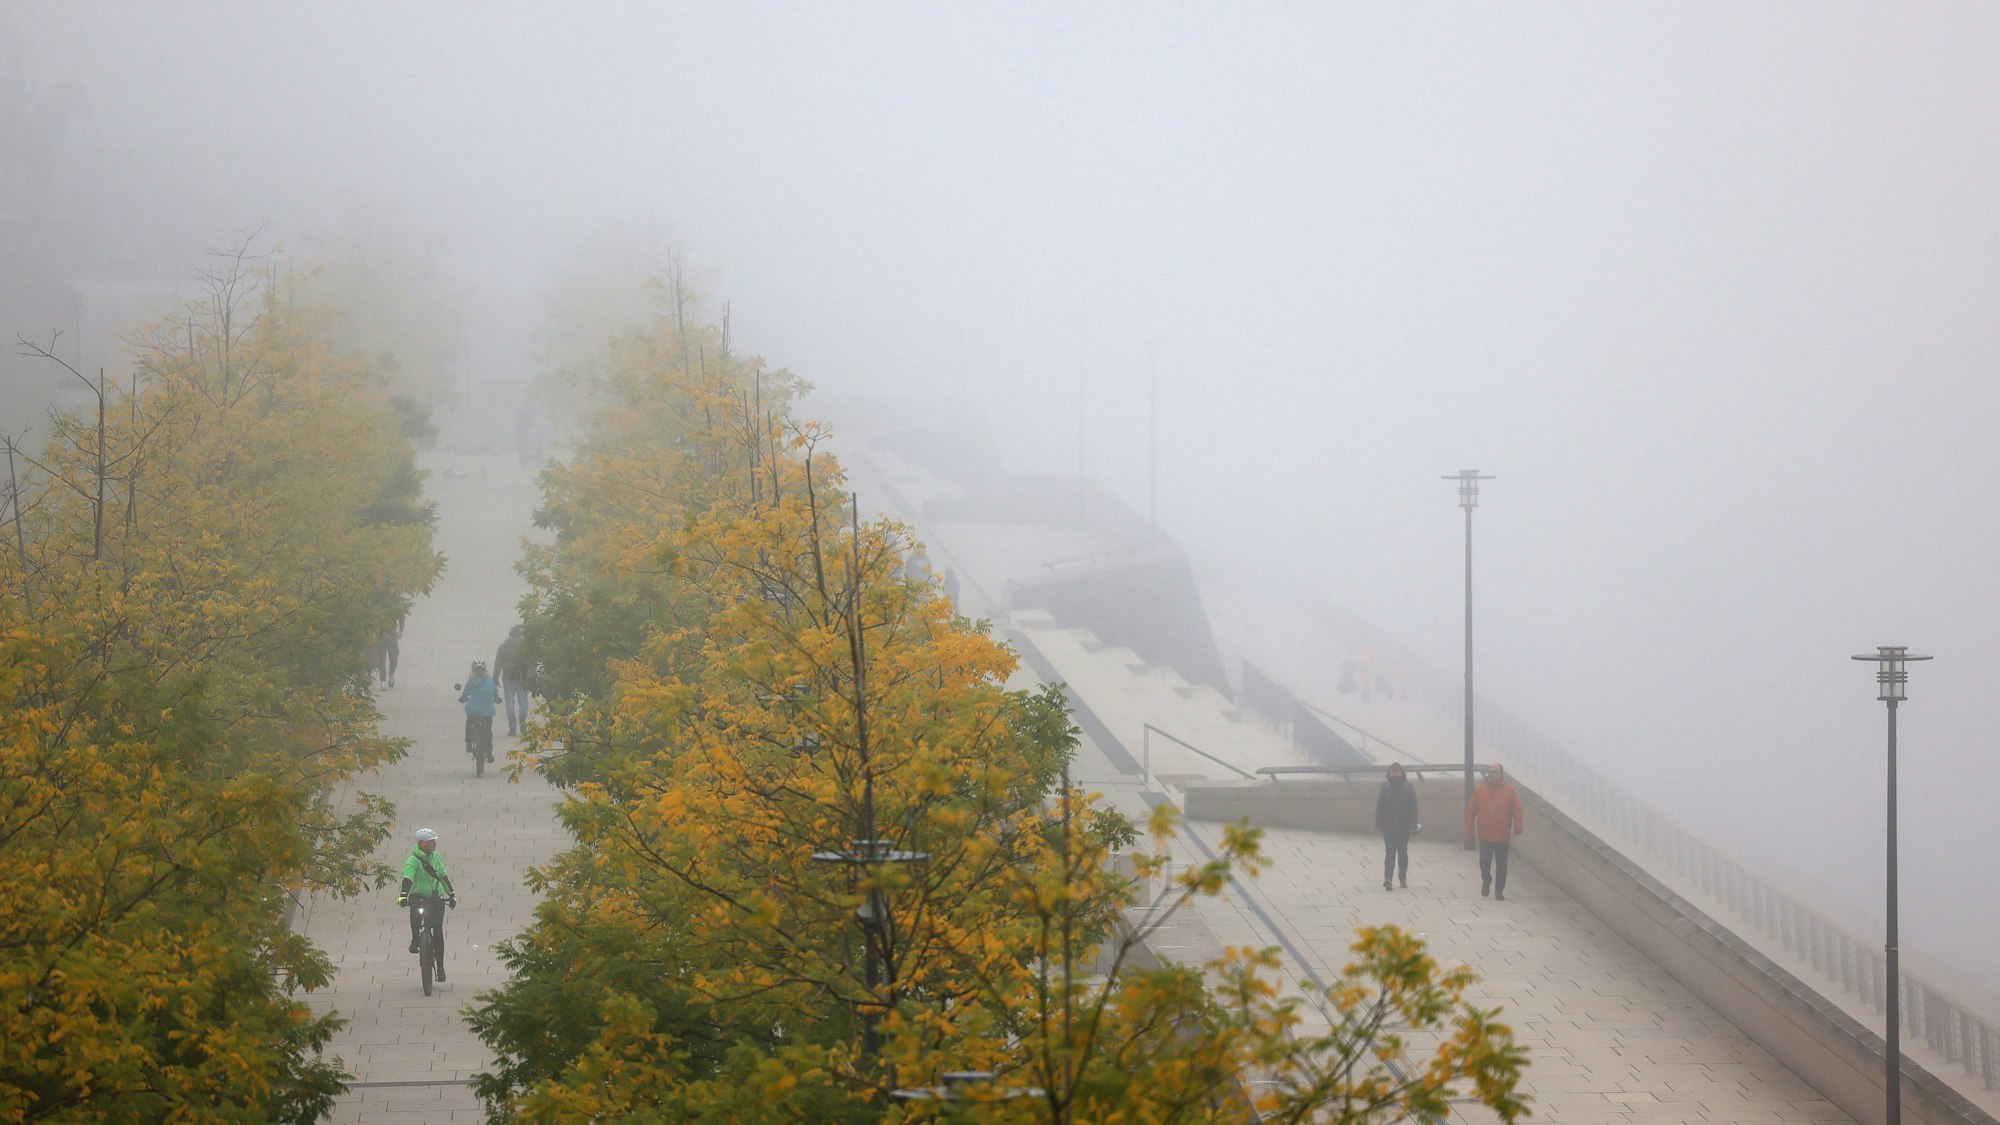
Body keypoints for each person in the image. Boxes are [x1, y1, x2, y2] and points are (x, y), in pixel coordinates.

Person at [398, 828, 457, 976]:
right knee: (415, 914)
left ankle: (441, 968)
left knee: (437, 930)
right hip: (419, 897)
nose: (435, 844)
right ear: (423, 844)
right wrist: (403, 895)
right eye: (432, 842)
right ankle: (415, 940)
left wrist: (451, 895)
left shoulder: (436, 857)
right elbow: (407, 878)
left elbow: (443, 876)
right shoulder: (413, 861)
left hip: (436, 898)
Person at [1464, 763, 1525, 900]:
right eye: (1489, 771)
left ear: (1500, 775)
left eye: (1494, 772)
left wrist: (1518, 827)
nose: (1490, 774)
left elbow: (1518, 809)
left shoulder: (1509, 791)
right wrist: (1468, 830)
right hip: (1485, 835)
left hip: (1502, 836)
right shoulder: (1480, 790)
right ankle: (1486, 880)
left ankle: (1499, 890)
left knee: (1502, 865)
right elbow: (1470, 810)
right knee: (1484, 861)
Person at [1375, 763, 1419, 890]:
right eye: (1393, 772)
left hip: (1404, 826)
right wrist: (1378, 822)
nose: (1395, 774)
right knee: (1390, 852)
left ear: (1401, 773)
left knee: (1402, 852)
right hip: (1388, 826)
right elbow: (1380, 805)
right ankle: (1388, 879)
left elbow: (1413, 806)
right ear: (1389, 773)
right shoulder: (1385, 787)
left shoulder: (1408, 787)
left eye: (1397, 772)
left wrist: (1413, 823)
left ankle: (1402, 878)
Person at [494, 625, 531, 737]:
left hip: (508, 678)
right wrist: (533, 677)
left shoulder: (503, 647)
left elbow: (498, 664)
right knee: (523, 701)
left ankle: (512, 728)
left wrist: (495, 679)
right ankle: (523, 723)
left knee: (509, 703)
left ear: (510, 635)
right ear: (520, 634)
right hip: (522, 677)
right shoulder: (526, 647)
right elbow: (531, 663)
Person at [459, 659, 500, 759]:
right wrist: (498, 700)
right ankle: (489, 752)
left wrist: (462, 699)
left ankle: (469, 743)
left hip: (472, 710)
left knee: (469, 723)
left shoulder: (470, 681)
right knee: (488, 731)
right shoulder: (490, 680)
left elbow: (465, 695)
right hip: (487, 712)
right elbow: (495, 695)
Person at [376, 613, 404, 689]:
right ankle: (383, 680)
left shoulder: (394, 601)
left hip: (392, 634)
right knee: (381, 658)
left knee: (394, 656)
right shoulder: (376, 602)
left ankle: (391, 674)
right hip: (380, 635)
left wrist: (401, 630)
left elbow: (401, 614)